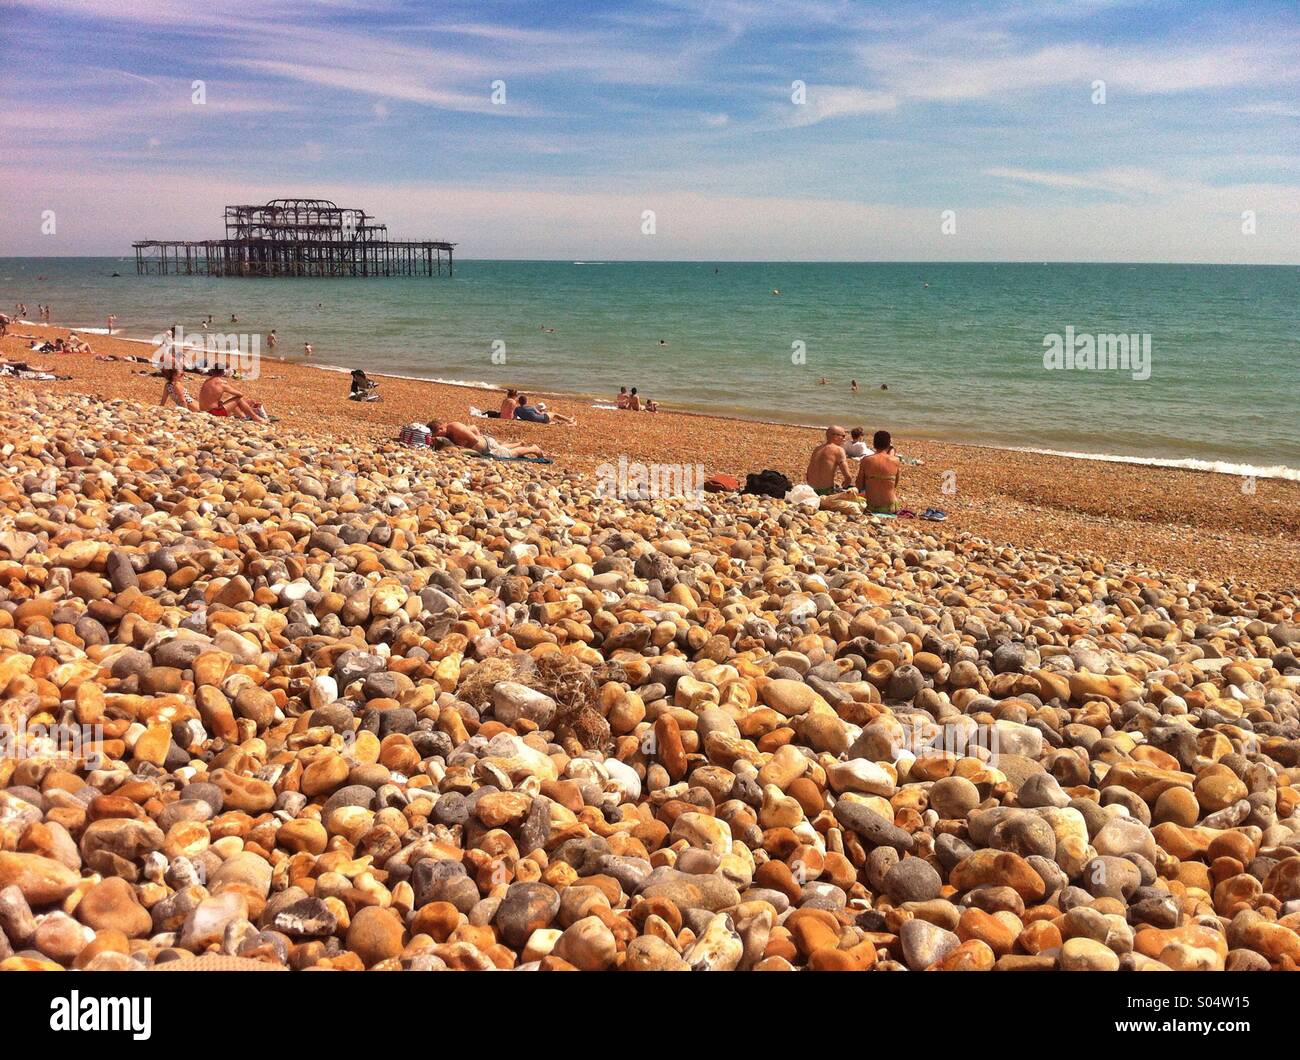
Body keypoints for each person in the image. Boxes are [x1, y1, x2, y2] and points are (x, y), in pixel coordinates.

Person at [427, 420, 546, 460]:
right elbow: (473, 428)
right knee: (501, 448)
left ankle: (533, 449)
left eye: (437, 433)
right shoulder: (450, 432)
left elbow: (473, 439)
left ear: (441, 427)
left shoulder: (453, 427)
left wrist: (463, 450)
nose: (439, 436)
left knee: (510, 454)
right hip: (486, 444)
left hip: (486, 446)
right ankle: (519, 443)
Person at [199, 365, 269, 421]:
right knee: (238, 399)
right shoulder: (221, 384)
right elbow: (240, 394)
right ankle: (256, 418)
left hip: (203, 410)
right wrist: (227, 386)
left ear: (212, 372)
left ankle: (243, 416)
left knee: (228, 400)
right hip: (213, 413)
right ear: (223, 373)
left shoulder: (206, 381)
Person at [855, 430, 902, 514]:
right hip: (890, 508)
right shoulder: (896, 460)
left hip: (870, 507)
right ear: (889, 444)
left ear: (874, 444)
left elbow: (859, 485)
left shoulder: (866, 460)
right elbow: (895, 484)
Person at [805, 426, 855, 496]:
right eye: (843, 436)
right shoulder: (839, 450)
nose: (844, 439)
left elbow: (808, 474)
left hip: (810, 490)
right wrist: (844, 486)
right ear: (835, 436)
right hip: (825, 492)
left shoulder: (817, 449)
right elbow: (848, 477)